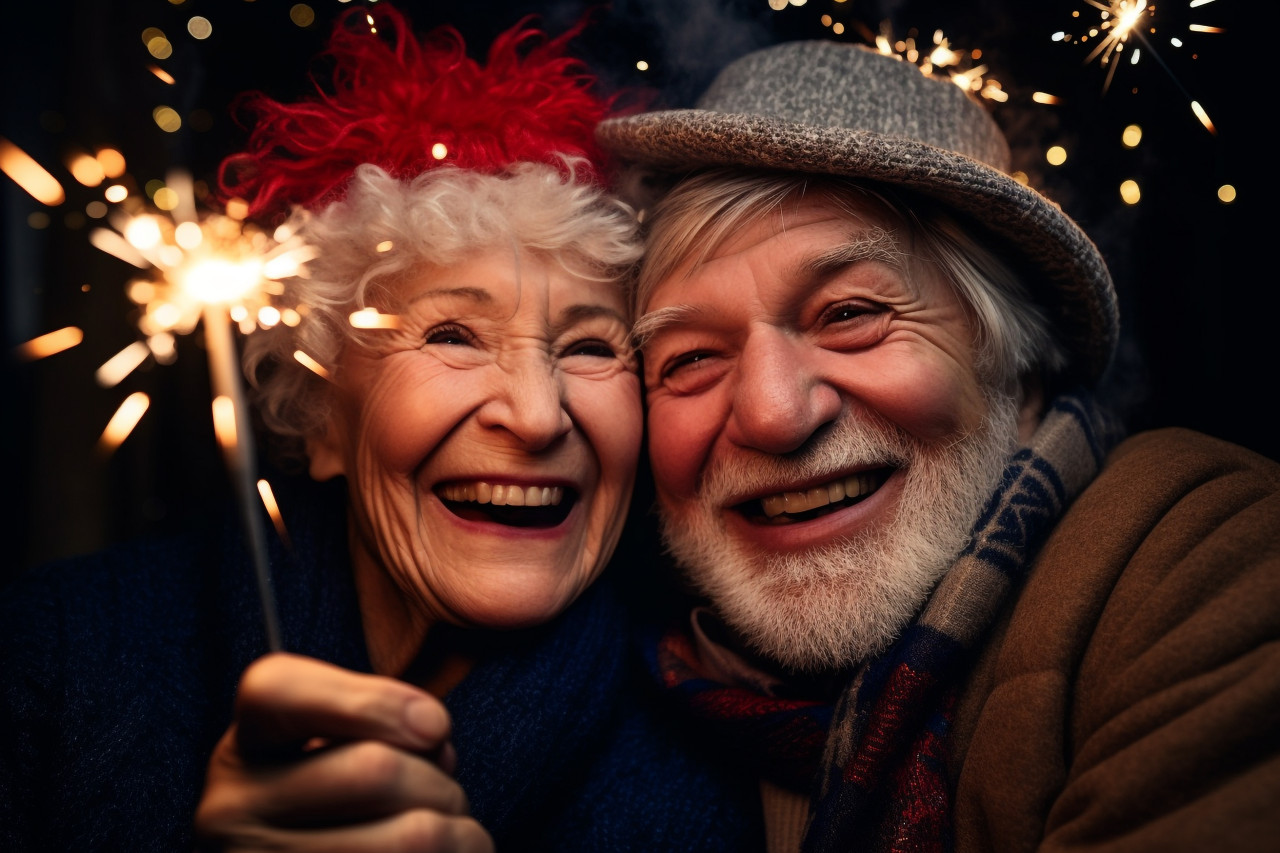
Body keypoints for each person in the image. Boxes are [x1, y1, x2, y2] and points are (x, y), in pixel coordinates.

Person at [0, 7, 760, 852]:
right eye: (451, 336)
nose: (539, 415)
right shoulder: (50, 660)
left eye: (590, 345)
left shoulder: (722, 762)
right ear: (321, 412)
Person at [594, 37, 1280, 853]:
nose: (774, 414)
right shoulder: (603, 699)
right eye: (691, 359)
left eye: (850, 315)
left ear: (1014, 360)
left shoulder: (1202, 552)